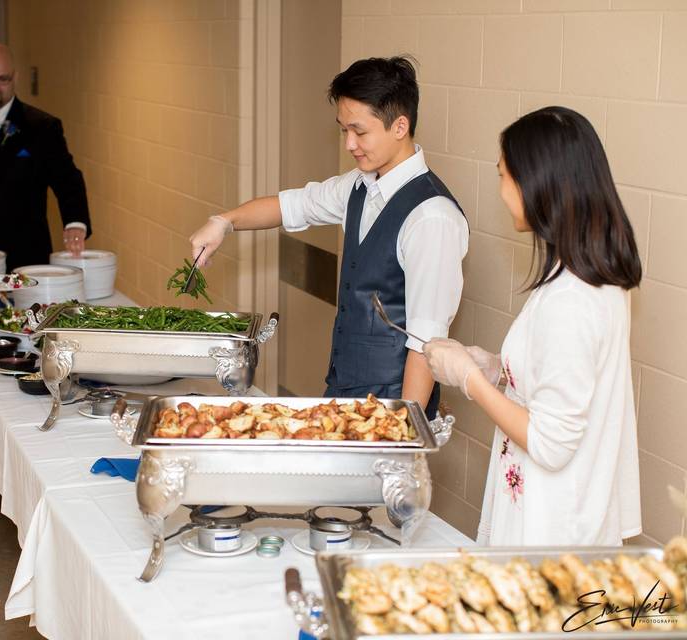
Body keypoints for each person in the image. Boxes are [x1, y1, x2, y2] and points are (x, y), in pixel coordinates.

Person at [189, 56, 468, 419]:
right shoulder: (359, 185)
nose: (349, 144)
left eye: (359, 131)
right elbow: (291, 206)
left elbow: (426, 342)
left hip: (393, 406)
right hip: (344, 391)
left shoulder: (432, 217)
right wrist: (224, 222)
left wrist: (406, 432)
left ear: (400, 126)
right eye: (343, 131)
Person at [423, 107, 642, 547]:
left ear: (537, 183)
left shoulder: (573, 299)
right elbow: (566, 381)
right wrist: (499, 370)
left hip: (553, 525)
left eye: (504, 176)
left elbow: (551, 442)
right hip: (559, 509)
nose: (502, 191)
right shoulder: (586, 272)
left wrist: (469, 381)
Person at [0, 43, 91, 269]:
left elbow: (67, 179)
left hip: (21, 254)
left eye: (2, 79)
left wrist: (75, 223)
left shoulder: (42, 127)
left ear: (15, 77)